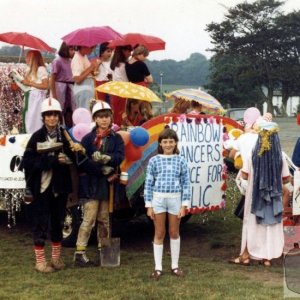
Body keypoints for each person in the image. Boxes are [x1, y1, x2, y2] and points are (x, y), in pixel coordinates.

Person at [20, 98, 75, 273]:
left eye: (55, 115)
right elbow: (27, 162)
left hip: (59, 188)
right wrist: (51, 161)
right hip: (41, 188)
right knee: (40, 223)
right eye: (48, 115)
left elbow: (73, 158)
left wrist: (70, 157)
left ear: (59, 117)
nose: (52, 118)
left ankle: (56, 259)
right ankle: (40, 261)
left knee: (58, 222)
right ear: (43, 117)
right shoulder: (36, 137)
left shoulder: (65, 136)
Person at [229, 118, 291, 267]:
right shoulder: (280, 156)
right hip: (274, 197)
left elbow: (244, 175)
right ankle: (267, 258)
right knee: (270, 226)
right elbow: (286, 178)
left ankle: (246, 255)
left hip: (254, 196)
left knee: (252, 224)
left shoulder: (253, 155)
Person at [74, 100, 125, 267]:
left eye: (107, 117)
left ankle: (104, 253)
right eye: (100, 117)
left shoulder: (116, 138)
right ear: (95, 119)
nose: (104, 120)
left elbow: (120, 156)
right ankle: (80, 254)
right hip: (91, 184)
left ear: (111, 119)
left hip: (107, 185)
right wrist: (98, 168)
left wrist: (108, 159)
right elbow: (81, 161)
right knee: (89, 219)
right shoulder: (88, 139)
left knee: (104, 219)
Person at [144, 128, 191, 280]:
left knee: (174, 232)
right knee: (159, 233)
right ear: (160, 144)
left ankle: (175, 266)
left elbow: (186, 184)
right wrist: (149, 205)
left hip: (175, 199)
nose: (168, 144)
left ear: (175, 143)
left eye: (171, 141)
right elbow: (149, 184)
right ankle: (158, 268)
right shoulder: (154, 161)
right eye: (165, 142)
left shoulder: (181, 160)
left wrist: (184, 204)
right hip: (158, 200)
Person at [21, 50, 49, 133]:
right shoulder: (29, 70)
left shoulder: (41, 69)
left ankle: (36, 135)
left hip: (37, 98)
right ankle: (29, 135)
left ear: (34, 59)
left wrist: (30, 83)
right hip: (30, 97)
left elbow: (45, 85)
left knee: (36, 119)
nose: (26, 59)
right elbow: (28, 85)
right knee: (29, 118)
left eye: (28, 57)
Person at [50, 42, 75, 128]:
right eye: (71, 49)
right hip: (60, 88)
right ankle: (59, 130)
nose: (73, 52)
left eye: (74, 49)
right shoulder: (57, 61)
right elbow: (52, 78)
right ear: (65, 49)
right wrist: (54, 95)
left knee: (70, 110)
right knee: (59, 110)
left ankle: (69, 130)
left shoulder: (71, 61)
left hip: (70, 88)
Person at [110, 45, 132, 126]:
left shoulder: (114, 64)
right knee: (121, 113)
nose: (130, 53)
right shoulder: (124, 65)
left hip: (115, 91)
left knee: (116, 113)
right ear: (123, 51)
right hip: (122, 91)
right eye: (129, 51)